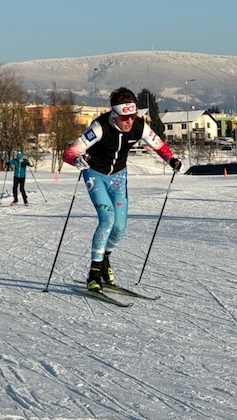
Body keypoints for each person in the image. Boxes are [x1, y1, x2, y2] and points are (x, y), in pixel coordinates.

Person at [61, 87, 181, 291]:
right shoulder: (99, 128)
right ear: (115, 114)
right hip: (95, 174)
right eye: (125, 117)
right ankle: (94, 273)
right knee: (107, 219)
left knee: (119, 229)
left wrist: (171, 159)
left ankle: (105, 259)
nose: (130, 121)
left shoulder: (139, 126)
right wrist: (77, 159)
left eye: (133, 116)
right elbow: (69, 153)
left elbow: (159, 146)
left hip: (118, 176)